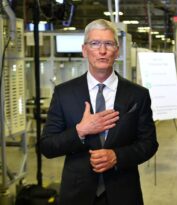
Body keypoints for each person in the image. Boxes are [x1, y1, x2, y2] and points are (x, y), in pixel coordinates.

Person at [40, 19, 158, 205]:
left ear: (117, 51)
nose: (102, 51)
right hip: (77, 194)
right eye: (95, 43)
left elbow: (149, 143)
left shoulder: (137, 95)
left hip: (123, 193)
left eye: (109, 44)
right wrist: (80, 131)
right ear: (84, 50)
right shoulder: (64, 93)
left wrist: (117, 156)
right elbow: (47, 146)